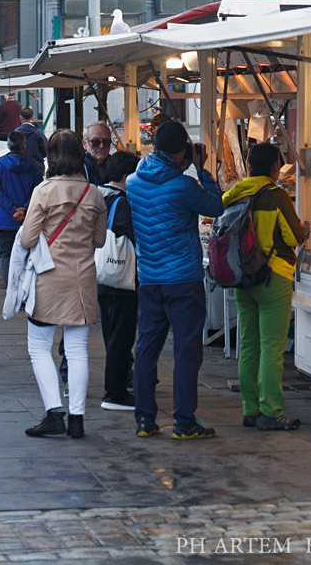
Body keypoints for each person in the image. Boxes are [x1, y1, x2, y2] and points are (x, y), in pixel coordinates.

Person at [124, 117, 224, 440]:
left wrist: (184, 163)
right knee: (186, 351)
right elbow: (216, 205)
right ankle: (184, 421)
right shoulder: (184, 186)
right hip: (183, 279)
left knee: (147, 348)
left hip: (149, 277)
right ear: (183, 151)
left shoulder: (133, 182)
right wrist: (201, 169)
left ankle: (144, 419)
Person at [17, 128, 107, 439]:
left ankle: (54, 412)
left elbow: (27, 238)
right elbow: (99, 240)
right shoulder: (94, 193)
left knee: (39, 346)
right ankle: (77, 419)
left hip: (49, 278)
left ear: (51, 156)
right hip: (82, 279)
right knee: (78, 349)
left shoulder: (43, 191)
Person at [221, 142, 307, 432]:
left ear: (249, 165)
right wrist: (303, 228)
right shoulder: (276, 195)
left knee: (248, 344)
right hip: (273, 277)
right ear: (275, 166)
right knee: (272, 348)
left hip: (242, 277)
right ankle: (271, 411)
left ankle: (250, 409)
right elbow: (295, 237)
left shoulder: (235, 192)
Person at [96, 148, 139, 411]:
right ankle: (115, 392)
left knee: (111, 334)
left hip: (101, 276)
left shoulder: (99, 194)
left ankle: (118, 385)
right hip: (121, 280)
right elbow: (134, 235)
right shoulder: (122, 202)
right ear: (126, 177)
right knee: (121, 338)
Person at [0, 128, 43, 281]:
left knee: (5, 254)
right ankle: (24, 288)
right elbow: (37, 192)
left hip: (3, 220)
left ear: (8, 145)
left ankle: (10, 287)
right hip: (27, 220)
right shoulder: (34, 168)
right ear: (24, 146)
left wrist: (12, 210)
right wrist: (23, 209)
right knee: (26, 255)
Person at [82, 121, 115, 186]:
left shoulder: (115, 165)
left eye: (106, 142)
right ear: (85, 144)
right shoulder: (79, 166)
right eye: (95, 142)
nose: (101, 146)